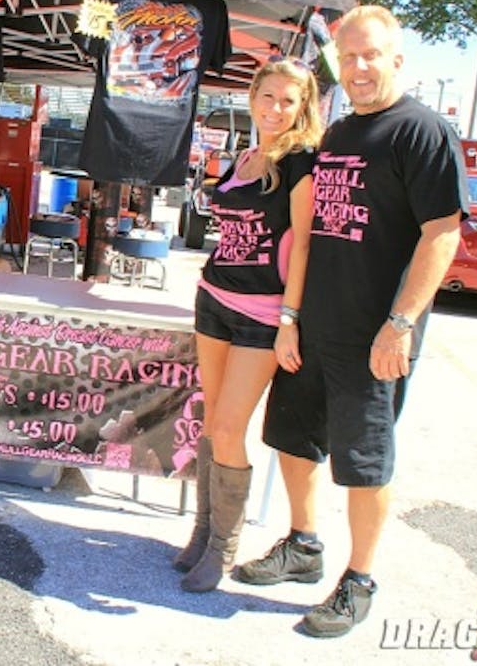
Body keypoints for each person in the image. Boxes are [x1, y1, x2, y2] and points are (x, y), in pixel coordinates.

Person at [232, 6, 468, 638]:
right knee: (292, 439)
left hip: (375, 338)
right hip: (313, 326)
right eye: (349, 57)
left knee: (365, 460)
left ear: (396, 60)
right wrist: (292, 319)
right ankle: (302, 546)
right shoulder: (337, 135)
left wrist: (401, 324)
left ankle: (359, 577)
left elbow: (441, 234)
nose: (358, 68)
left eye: (371, 56)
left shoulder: (422, 132)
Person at [172, 56, 321, 592]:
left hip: (263, 314)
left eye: (289, 100)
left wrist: (290, 320)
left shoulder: (303, 163)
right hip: (214, 299)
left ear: (303, 106)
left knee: (233, 428)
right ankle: (203, 531)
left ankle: (224, 549)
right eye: (268, 96)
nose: (277, 108)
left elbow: (303, 245)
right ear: (252, 97)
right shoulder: (244, 158)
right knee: (212, 422)